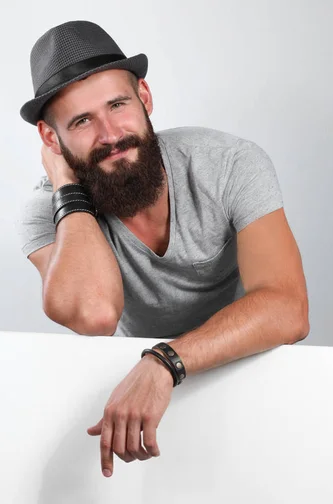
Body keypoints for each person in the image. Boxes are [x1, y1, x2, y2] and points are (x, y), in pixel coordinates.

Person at [18, 20, 309, 478]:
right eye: (81, 121)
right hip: (140, 407)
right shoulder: (48, 213)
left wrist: (164, 361)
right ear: (51, 139)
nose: (110, 133)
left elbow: (288, 309)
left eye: (118, 104)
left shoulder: (230, 164)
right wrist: (65, 188)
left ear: (145, 99)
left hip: (251, 377)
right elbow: (94, 315)